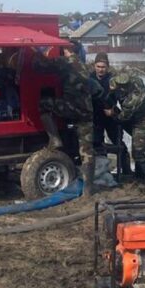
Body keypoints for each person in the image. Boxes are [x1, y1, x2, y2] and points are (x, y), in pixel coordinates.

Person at [35, 45, 97, 196]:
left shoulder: (65, 62)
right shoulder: (85, 65)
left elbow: (39, 66)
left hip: (71, 108)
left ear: (66, 50)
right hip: (87, 111)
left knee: (43, 103)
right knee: (87, 150)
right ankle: (88, 189)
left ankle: (55, 139)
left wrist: (38, 50)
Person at [109, 73, 145, 184]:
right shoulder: (136, 80)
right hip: (136, 119)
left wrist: (113, 113)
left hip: (144, 123)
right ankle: (139, 175)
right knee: (138, 149)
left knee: (138, 152)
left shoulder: (132, 101)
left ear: (123, 87)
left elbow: (122, 118)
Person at [89, 52, 132, 175]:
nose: (100, 69)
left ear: (107, 67)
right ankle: (103, 171)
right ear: (94, 66)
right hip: (96, 116)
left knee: (117, 142)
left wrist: (113, 111)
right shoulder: (90, 78)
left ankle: (126, 170)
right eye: (98, 66)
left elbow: (121, 99)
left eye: (103, 67)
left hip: (110, 116)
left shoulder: (113, 80)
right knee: (97, 143)